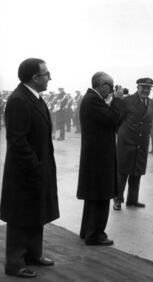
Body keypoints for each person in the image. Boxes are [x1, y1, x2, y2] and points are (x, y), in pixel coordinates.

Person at [0, 58, 59, 278]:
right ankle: (14, 264)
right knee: (19, 217)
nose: (49, 77)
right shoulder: (18, 100)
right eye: (46, 74)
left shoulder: (34, 98)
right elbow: (17, 140)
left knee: (36, 212)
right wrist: (35, 166)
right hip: (24, 172)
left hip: (37, 169)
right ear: (35, 77)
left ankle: (34, 254)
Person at [77, 72, 122, 245]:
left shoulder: (91, 99)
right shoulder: (93, 100)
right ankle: (95, 235)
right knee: (101, 196)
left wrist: (112, 101)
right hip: (99, 158)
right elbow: (113, 118)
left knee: (93, 197)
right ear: (102, 85)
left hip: (95, 156)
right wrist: (116, 100)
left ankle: (87, 231)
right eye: (110, 86)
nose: (112, 90)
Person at [113, 78, 153, 211]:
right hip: (126, 142)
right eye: (143, 87)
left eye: (148, 88)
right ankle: (117, 200)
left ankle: (132, 200)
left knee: (137, 172)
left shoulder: (152, 103)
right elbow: (117, 120)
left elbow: (149, 122)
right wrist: (123, 135)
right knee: (122, 172)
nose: (146, 91)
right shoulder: (128, 101)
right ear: (137, 87)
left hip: (142, 142)